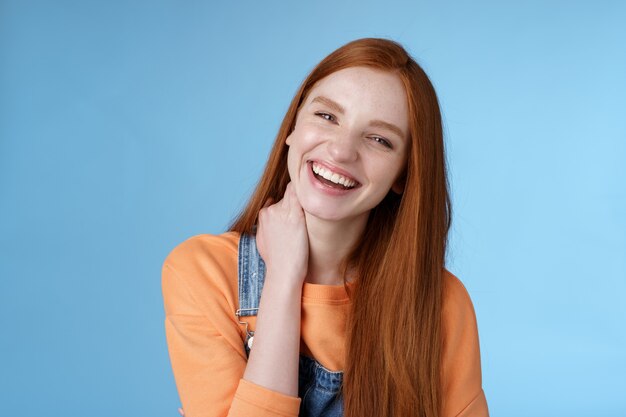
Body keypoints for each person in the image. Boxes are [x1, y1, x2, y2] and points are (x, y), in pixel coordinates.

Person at [162, 38, 489, 417]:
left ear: (404, 174)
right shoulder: (203, 272)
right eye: (327, 117)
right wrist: (284, 278)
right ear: (293, 128)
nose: (341, 150)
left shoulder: (441, 304)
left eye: (379, 140)